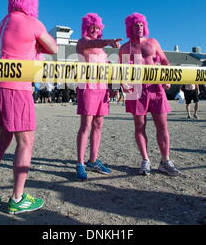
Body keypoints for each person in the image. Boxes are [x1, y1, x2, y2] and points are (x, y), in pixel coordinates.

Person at [0, 0, 57, 214]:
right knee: (25, 141)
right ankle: (18, 198)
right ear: (31, 1)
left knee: (3, 137)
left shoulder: (3, 22)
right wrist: (38, 48)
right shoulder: (31, 22)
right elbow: (54, 47)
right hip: (17, 86)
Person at [119, 13, 180, 176]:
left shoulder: (153, 43)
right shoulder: (126, 48)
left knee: (162, 126)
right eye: (135, 25)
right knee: (139, 126)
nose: (139, 28)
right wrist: (123, 83)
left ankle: (165, 161)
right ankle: (145, 160)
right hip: (136, 90)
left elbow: (165, 61)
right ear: (130, 28)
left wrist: (166, 78)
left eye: (141, 25)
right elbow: (123, 71)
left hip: (155, 87)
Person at [74, 13, 121, 181]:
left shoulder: (101, 50)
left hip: (102, 89)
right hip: (87, 87)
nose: (94, 29)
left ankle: (93, 160)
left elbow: (107, 68)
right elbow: (91, 43)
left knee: (98, 124)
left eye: (97, 27)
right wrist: (108, 42)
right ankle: (80, 163)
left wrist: (113, 85)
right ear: (86, 27)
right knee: (85, 125)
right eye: (92, 26)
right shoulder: (83, 42)